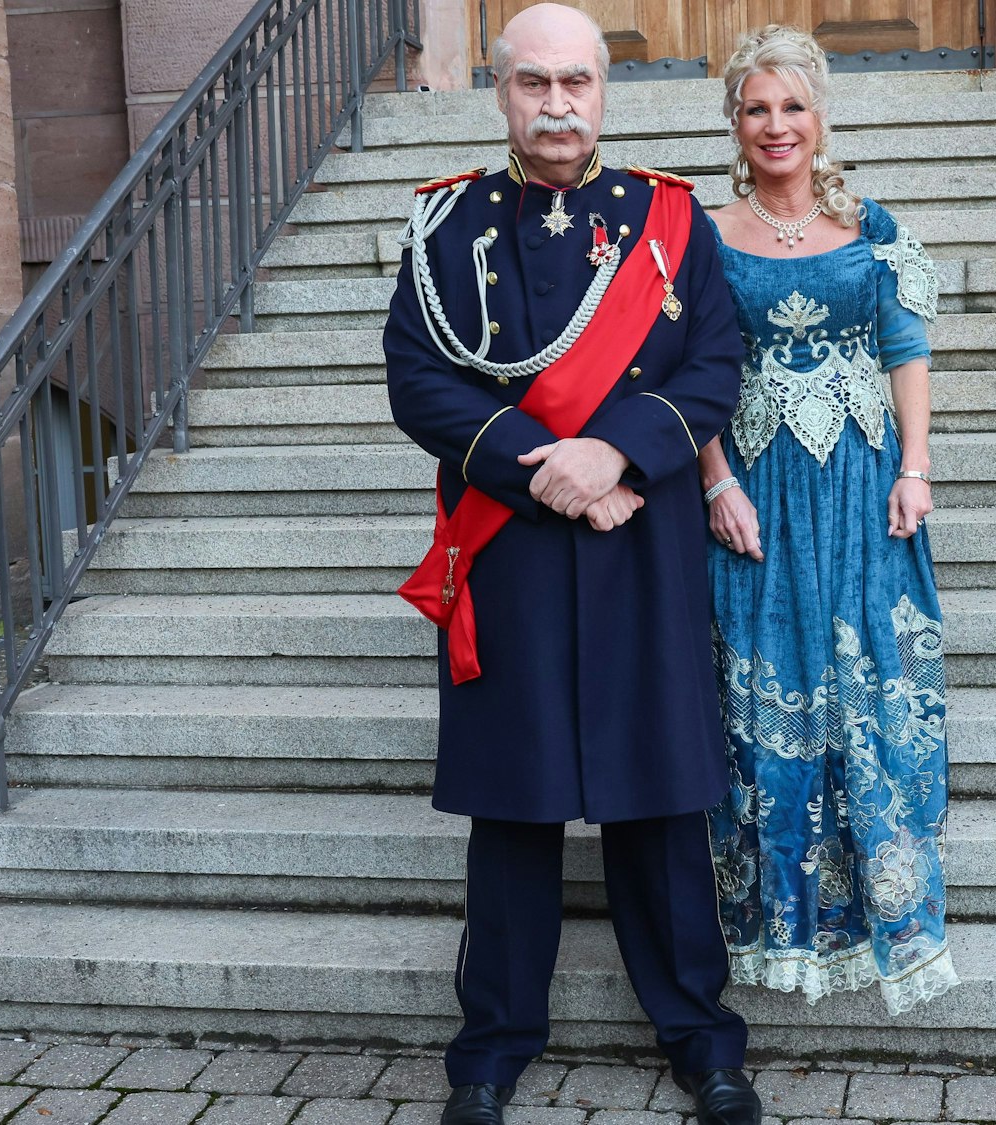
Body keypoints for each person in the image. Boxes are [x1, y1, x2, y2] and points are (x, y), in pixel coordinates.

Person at [381, 7, 760, 1124]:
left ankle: (703, 1041)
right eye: (533, 82)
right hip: (514, 544)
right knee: (514, 805)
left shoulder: (670, 217)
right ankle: (489, 1052)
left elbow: (715, 363)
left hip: (641, 540)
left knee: (660, 797)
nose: (556, 104)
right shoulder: (443, 224)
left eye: (576, 82)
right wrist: (549, 471)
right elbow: (418, 378)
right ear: (499, 91)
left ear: (604, 90)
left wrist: (616, 455)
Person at [698, 24, 958, 1015]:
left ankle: (883, 916)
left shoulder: (872, 226)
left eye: (793, 106)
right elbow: (689, 372)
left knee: (871, 692)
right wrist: (715, 481)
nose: (777, 125)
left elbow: (905, 348)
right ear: (735, 122)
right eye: (757, 108)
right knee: (763, 698)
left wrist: (915, 469)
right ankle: (777, 929)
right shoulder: (702, 237)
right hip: (756, 496)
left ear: (820, 117)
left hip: (861, 489)